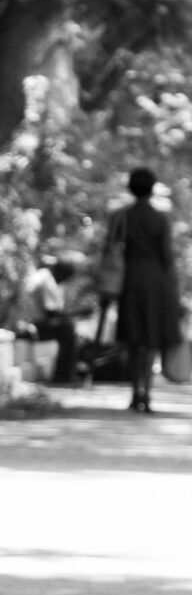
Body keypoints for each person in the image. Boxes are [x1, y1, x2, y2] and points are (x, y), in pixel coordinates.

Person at [111, 167, 181, 412]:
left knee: (134, 339)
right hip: (156, 282)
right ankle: (147, 394)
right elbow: (168, 256)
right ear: (152, 189)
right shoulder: (160, 218)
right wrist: (174, 288)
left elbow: (109, 250)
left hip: (131, 280)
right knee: (151, 339)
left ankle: (135, 393)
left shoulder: (121, 216)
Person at [19, 257, 85, 383]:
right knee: (67, 327)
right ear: (61, 273)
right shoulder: (47, 280)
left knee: (68, 326)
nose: (64, 282)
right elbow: (51, 313)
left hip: (29, 323)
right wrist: (79, 312)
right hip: (32, 327)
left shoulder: (43, 276)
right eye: (65, 278)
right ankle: (63, 376)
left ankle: (66, 374)